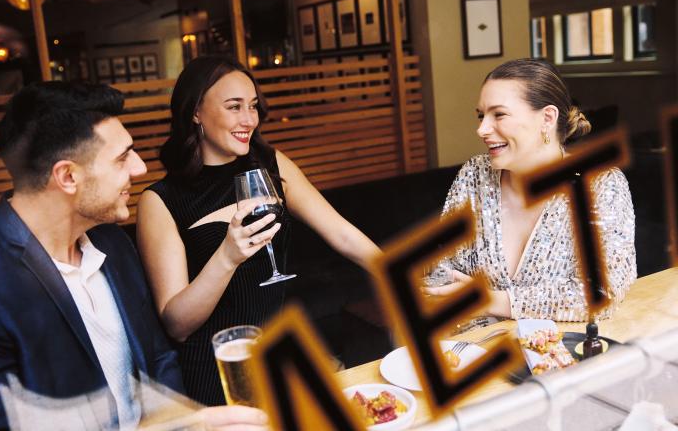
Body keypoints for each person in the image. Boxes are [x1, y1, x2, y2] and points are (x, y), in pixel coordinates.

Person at [0, 82, 268, 430]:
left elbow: (159, 361)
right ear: (67, 176)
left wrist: (186, 424)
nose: (140, 168)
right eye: (123, 157)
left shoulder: (112, 245)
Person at [137, 56, 382, 405]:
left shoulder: (272, 164)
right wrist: (227, 257)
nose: (249, 119)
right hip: (219, 371)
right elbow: (177, 324)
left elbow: (342, 234)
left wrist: (398, 272)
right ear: (195, 111)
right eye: (234, 107)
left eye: (253, 106)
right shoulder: (160, 201)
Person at [424, 58, 636, 321]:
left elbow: (602, 294)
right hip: (475, 351)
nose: (482, 129)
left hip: (564, 356)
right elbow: (442, 270)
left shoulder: (601, 185)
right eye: (481, 115)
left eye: (498, 114)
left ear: (547, 118)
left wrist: (493, 301)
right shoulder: (474, 176)